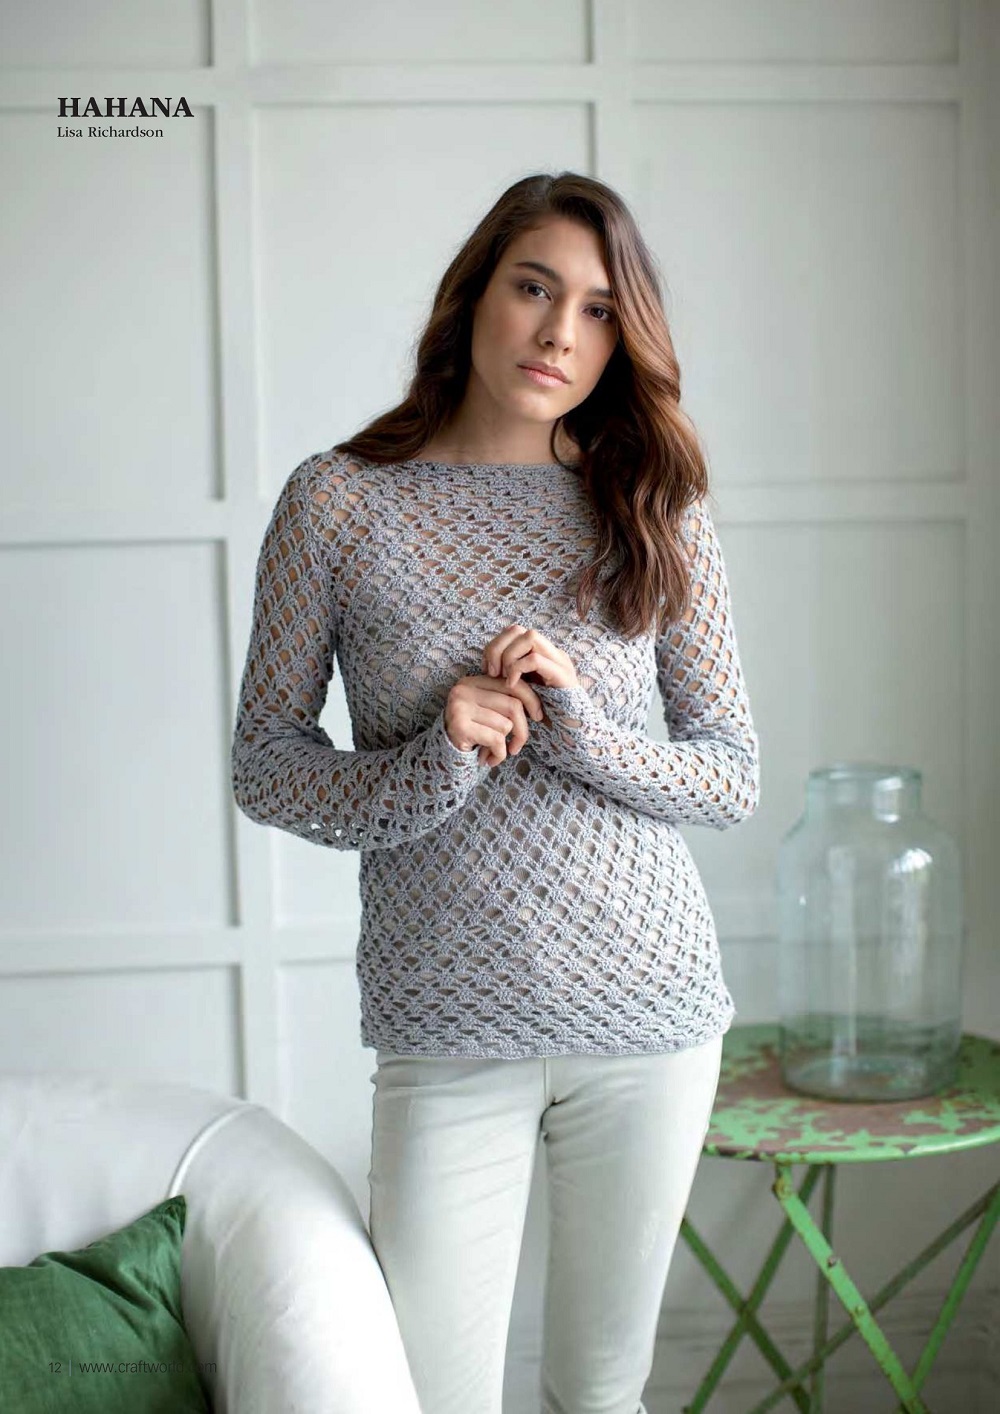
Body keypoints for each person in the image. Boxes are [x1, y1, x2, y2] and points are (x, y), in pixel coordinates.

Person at [230, 171, 760, 1414]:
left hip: (648, 1014)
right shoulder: (337, 501)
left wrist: (581, 731)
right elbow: (265, 761)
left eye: (598, 310)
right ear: (474, 294)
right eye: (533, 288)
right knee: (429, 1395)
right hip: (446, 1025)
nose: (559, 332)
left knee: (600, 1395)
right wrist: (435, 758)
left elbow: (729, 773)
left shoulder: (654, 504)